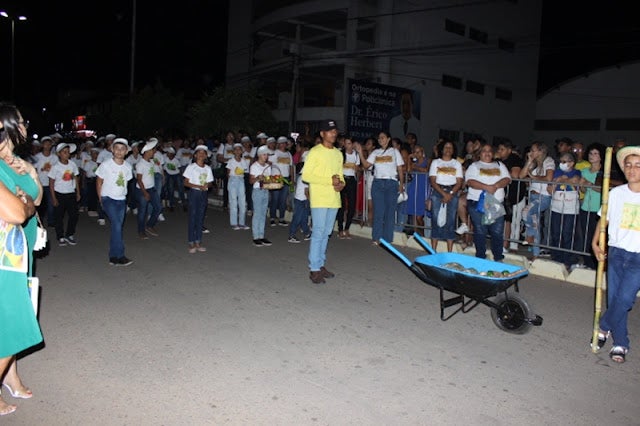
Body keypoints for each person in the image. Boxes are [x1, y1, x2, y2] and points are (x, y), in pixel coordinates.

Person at [0, 104, 43, 416]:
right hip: (4, 251)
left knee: (14, 314)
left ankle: (10, 376)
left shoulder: (18, 162)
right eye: (21, 121)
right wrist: (25, 204)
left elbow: (36, 199)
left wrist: (32, 176)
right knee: (10, 318)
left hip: (19, 247)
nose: (26, 125)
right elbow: (17, 211)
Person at [591, 146, 640, 363]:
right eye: (628, 165)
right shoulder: (615, 193)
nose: (632, 169)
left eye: (638, 165)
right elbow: (604, 220)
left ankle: (603, 326)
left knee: (625, 300)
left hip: (638, 257)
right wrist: (595, 242)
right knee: (614, 299)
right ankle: (621, 343)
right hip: (617, 253)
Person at [301, 119, 345, 284]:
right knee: (318, 232)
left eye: (335, 131)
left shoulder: (338, 153)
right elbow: (306, 175)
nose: (334, 133)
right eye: (330, 131)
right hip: (319, 198)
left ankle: (320, 264)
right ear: (322, 133)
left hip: (334, 198)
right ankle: (314, 269)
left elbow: (340, 175)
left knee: (326, 233)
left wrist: (341, 184)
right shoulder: (315, 152)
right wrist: (329, 181)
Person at [354, 131, 405, 245]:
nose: (380, 139)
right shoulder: (376, 152)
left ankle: (387, 240)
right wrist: (360, 152)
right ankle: (376, 238)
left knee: (389, 213)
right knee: (378, 212)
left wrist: (401, 184)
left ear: (388, 139)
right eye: (379, 138)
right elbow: (366, 165)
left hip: (391, 183)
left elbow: (400, 168)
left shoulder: (394, 151)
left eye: (383, 137)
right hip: (377, 183)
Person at [465, 142, 511, 261]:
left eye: (489, 151)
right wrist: (486, 187)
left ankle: (498, 257)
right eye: (484, 151)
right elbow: (470, 181)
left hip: (496, 203)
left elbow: (507, 179)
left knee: (497, 231)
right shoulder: (474, 166)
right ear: (480, 154)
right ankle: (480, 257)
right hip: (477, 203)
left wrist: (496, 186)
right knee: (481, 231)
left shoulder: (500, 165)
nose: (487, 153)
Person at [95, 137, 134, 266]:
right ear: (112, 150)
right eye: (116, 148)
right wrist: (101, 199)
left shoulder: (128, 167)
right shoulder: (106, 165)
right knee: (117, 225)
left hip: (121, 200)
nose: (119, 151)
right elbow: (99, 182)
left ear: (126, 151)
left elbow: (126, 183)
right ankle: (120, 256)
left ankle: (113, 256)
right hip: (108, 198)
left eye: (122, 149)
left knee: (117, 228)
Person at [519, 141, 555, 259]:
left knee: (525, 212)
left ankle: (529, 235)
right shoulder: (533, 163)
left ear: (541, 151)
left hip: (543, 196)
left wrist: (534, 177)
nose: (531, 152)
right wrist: (529, 161)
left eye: (533, 150)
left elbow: (549, 177)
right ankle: (535, 254)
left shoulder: (548, 161)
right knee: (535, 225)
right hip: (533, 196)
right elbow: (521, 176)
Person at [548, 152, 581, 270]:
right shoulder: (557, 172)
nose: (561, 164)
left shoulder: (577, 172)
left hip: (570, 208)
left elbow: (576, 181)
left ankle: (567, 260)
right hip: (556, 206)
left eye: (564, 162)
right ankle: (557, 258)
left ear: (571, 163)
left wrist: (562, 180)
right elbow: (550, 189)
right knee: (556, 233)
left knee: (567, 234)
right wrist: (560, 180)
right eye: (560, 161)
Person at [429, 140, 463, 251]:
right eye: (446, 147)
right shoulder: (435, 162)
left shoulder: (456, 164)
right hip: (438, 191)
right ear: (442, 149)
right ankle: (433, 251)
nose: (448, 149)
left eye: (450, 147)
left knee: (451, 220)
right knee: (435, 220)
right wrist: (444, 194)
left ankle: (449, 251)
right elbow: (433, 181)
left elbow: (459, 182)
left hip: (452, 191)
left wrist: (450, 194)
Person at [577, 142, 606, 269]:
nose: (592, 156)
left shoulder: (603, 172)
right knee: (586, 236)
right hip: (585, 207)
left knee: (596, 237)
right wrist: (582, 186)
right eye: (590, 153)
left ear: (600, 157)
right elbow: (583, 190)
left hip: (597, 209)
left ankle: (596, 264)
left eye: (595, 153)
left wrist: (588, 184)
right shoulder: (584, 171)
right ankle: (588, 262)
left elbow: (601, 189)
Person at [183, 145, 214, 253]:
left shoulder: (207, 168)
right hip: (194, 193)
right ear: (195, 155)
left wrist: (207, 185)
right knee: (192, 217)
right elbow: (185, 182)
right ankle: (191, 242)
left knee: (200, 218)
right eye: (199, 152)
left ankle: (198, 241)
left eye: (203, 153)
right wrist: (198, 186)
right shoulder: (191, 167)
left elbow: (210, 183)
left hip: (203, 194)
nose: (201, 154)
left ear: (206, 156)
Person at [48, 143, 81, 246]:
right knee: (59, 216)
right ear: (59, 154)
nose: (67, 154)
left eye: (68, 152)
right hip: (59, 193)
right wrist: (54, 198)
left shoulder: (72, 164)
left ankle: (69, 234)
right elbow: (51, 183)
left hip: (70, 193)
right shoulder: (55, 167)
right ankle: (60, 236)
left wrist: (78, 192)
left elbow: (76, 178)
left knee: (74, 215)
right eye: (64, 152)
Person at [497, 140, 526, 251]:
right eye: (499, 149)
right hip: (505, 194)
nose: (499, 151)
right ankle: (503, 243)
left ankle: (513, 245)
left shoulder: (514, 159)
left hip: (517, 194)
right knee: (505, 219)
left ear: (509, 150)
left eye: (502, 149)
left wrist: (501, 173)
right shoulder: (499, 161)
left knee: (515, 220)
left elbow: (515, 174)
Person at [249, 145, 274, 247]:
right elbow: (251, 181)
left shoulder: (268, 166)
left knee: (263, 214)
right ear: (259, 155)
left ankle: (261, 235)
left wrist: (271, 180)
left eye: (267, 155)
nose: (266, 156)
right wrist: (258, 178)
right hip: (257, 191)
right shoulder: (254, 166)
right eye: (264, 154)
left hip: (265, 191)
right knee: (257, 214)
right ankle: (256, 237)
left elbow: (269, 179)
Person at [337, 136, 360, 239]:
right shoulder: (340, 153)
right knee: (341, 206)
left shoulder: (356, 154)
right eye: (346, 143)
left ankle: (347, 228)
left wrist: (357, 170)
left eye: (349, 143)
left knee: (351, 206)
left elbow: (357, 169)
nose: (347, 145)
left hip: (351, 180)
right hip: (342, 179)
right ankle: (340, 229)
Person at [269, 136, 294, 227]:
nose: (282, 144)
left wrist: (292, 179)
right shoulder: (275, 153)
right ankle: (272, 218)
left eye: (284, 143)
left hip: (286, 178)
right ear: (278, 144)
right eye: (280, 143)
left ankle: (281, 219)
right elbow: (268, 164)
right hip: (276, 178)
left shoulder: (288, 154)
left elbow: (291, 167)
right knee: (275, 199)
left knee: (283, 200)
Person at [405, 144, 430, 236]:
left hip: (423, 188)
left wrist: (415, 167)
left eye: (418, 152)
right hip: (414, 188)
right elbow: (408, 171)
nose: (417, 154)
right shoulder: (413, 163)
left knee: (420, 217)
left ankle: (423, 235)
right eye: (415, 152)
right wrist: (409, 158)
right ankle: (416, 235)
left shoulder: (428, 160)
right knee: (414, 215)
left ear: (422, 151)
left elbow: (426, 170)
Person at [33, 135, 57, 226]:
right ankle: (39, 222)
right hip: (40, 184)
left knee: (51, 204)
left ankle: (51, 221)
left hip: (50, 184)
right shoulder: (37, 157)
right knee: (40, 205)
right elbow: (34, 170)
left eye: (49, 144)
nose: (47, 146)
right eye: (45, 144)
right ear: (42, 145)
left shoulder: (54, 157)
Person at [226, 143, 250, 230]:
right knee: (233, 202)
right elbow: (228, 173)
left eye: (239, 149)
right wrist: (230, 183)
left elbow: (244, 171)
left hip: (241, 180)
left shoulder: (243, 161)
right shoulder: (231, 161)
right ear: (233, 151)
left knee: (242, 201)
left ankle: (242, 223)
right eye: (235, 149)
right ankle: (234, 223)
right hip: (233, 180)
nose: (237, 151)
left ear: (242, 151)